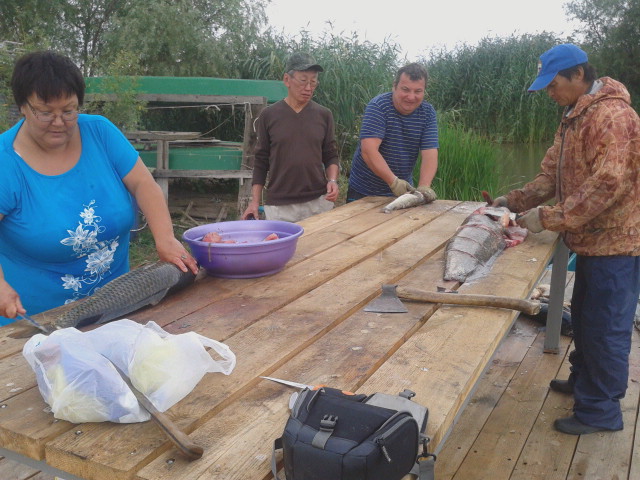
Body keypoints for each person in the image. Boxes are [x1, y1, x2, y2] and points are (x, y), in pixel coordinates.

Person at [491, 44, 640, 435]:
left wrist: (549, 218)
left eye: (553, 84)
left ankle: (601, 411)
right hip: (590, 240)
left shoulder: (613, 116)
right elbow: (551, 176)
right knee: (587, 319)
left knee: (606, 328)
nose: (549, 92)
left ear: (578, 74)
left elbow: (607, 184)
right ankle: (583, 382)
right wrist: (515, 201)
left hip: (617, 244)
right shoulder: (574, 115)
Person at [0, 51, 199, 325]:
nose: (58, 122)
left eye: (68, 111)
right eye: (45, 113)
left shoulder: (100, 132)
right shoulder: (6, 162)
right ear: (23, 106)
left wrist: (165, 238)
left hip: (118, 306)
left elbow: (144, 184)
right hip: (35, 322)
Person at [241, 52, 339, 223]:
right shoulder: (269, 115)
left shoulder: (324, 115)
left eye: (313, 82)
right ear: (287, 80)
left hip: (318, 202)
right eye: (303, 80)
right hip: (280, 206)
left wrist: (333, 180)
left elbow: (330, 154)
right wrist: (254, 202)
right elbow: (261, 160)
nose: (308, 88)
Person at [347, 63, 438, 203]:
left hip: (404, 191)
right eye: (405, 89)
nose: (411, 97)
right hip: (364, 191)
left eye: (418, 91)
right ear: (394, 86)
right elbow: (369, 151)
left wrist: (424, 186)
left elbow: (430, 152)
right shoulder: (379, 106)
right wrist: (393, 182)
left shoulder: (427, 112)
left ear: (424, 91)